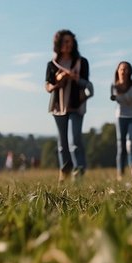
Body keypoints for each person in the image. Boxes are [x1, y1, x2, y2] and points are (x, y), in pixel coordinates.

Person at [45, 29, 90, 180]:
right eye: (65, 41)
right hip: (59, 107)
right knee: (62, 144)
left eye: (70, 41)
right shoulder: (52, 64)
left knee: (74, 141)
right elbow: (48, 87)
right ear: (58, 43)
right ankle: (64, 173)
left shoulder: (81, 62)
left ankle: (79, 173)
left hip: (76, 106)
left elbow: (87, 84)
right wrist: (58, 79)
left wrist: (75, 78)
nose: (68, 44)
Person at [111, 61, 132, 179]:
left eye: (126, 69)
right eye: (121, 69)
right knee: (120, 145)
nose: (123, 71)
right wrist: (120, 95)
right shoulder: (113, 85)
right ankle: (120, 173)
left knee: (131, 144)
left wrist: (120, 93)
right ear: (118, 71)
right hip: (120, 116)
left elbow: (131, 99)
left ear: (129, 71)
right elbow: (120, 100)